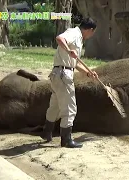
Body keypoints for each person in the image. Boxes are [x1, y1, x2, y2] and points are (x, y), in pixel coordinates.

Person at [40, 18, 98, 148]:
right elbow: (60, 38)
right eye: (92, 33)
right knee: (70, 108)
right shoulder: (74, 33)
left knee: (55, 106)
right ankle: (66, 140)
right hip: (63, 75)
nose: (91, 35)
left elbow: (75, 63)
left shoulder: (78, 39)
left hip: (58, 74)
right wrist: (68, 50)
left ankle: (46, 131)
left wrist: (89, 73)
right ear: (90, 30)